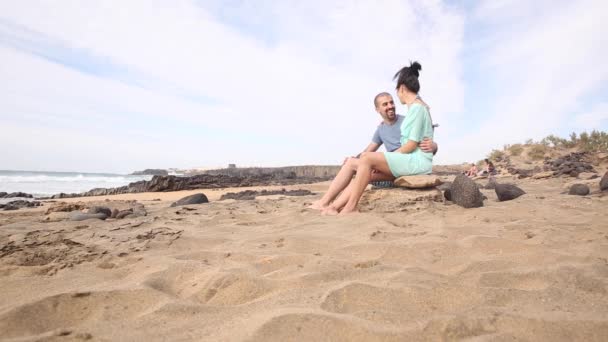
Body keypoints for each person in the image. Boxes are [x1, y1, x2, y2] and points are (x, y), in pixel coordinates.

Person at [323, 61, 435, 215]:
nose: (394, 102)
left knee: (367, 158)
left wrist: (383, 158)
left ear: (401, 88)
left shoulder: (417, 109)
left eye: (394, 96)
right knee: (365, 163)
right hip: (409, 160)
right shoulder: (416, 108)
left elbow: (411, 145)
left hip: (417, 162)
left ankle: (350, 207)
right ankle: (333, 207)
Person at [308, 92, 437, 211]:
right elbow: (369, 150)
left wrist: (434, 146)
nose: (390, 106)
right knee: (353, 167)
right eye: (385, 104)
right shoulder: (381, 129)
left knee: (359, 166)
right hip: (387, 165)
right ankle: (329, 205)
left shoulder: (407, 120)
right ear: (377, 109)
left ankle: (331, 204)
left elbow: (426, 136)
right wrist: (355, 158)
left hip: (403, 164)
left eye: (392, 102)